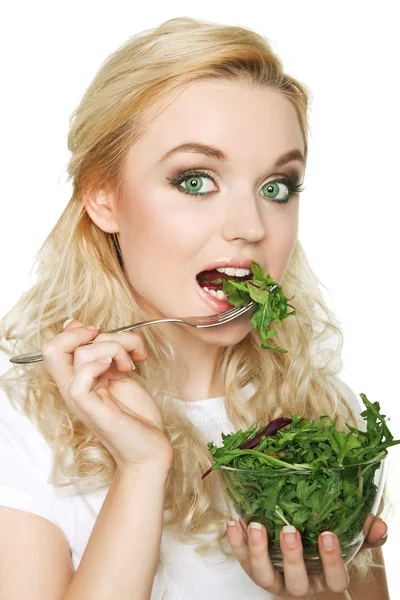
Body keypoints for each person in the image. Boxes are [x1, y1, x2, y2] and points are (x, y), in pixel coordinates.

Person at [0, 16, 390, 600]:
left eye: (277, 187)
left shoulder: (330, 421)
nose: (251, 227)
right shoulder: (23, 428)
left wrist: (315, 594)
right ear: (104, 198)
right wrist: (141, 466)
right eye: (195, 180)